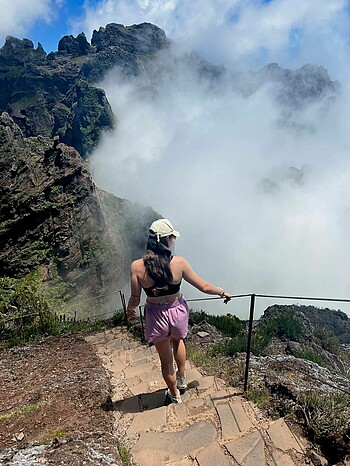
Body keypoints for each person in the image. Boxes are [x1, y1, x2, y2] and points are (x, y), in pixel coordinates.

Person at [126, 218, 231, 404]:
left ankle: (174, 395)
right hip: (177, 310)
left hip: (156, 314)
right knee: (178, 340)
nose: (173, 241)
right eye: (172, 237)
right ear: (167, 240)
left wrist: (130, 309)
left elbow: (136, 298)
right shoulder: (179, 263)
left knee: (166, 361)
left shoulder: (137, 267)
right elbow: (204, 286)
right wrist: (222, 292)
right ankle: (182, 379)